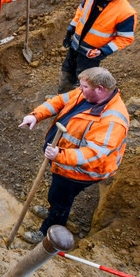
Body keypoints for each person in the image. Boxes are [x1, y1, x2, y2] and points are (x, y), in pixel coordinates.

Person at [18, 67, 129, 244]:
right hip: (63, 159)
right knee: (56, 195)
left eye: (84, 86)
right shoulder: (85, 93)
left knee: (61, 199)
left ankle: (49, 233)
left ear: (99, 88)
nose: (79, 89)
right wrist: (36, 116)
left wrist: (59, 155)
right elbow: (58, 101)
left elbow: (94, 155)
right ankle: (53, 210)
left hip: (80, 171)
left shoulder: (113, 120)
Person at [58, 0, 136, 93]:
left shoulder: (126, 12)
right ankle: (61, 97)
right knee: (67, 70)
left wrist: (103, 51)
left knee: (85, 80)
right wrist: (70, 31)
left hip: (91, 53)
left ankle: (76, 105)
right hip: (75, 45)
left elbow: (125, 38)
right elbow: (80, 13)